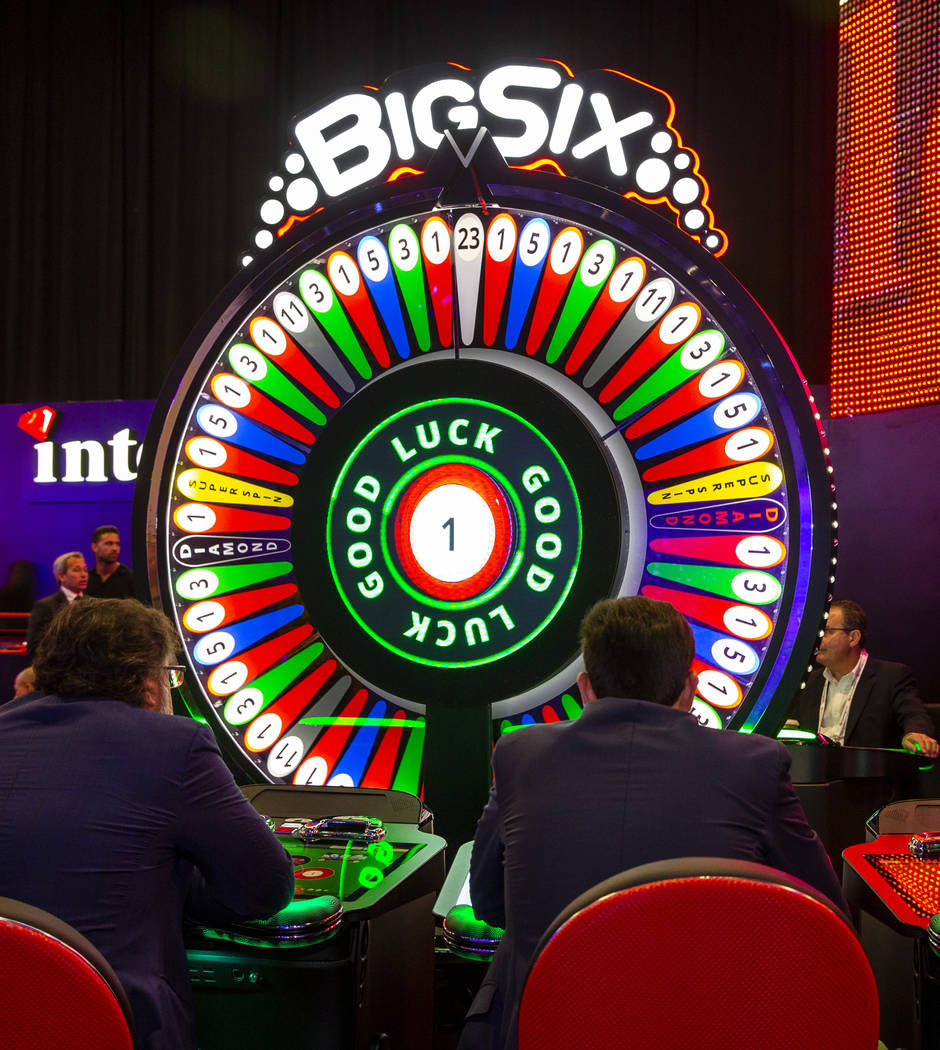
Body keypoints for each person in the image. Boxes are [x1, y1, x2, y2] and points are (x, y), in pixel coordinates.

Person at [458, 596, 847, 1050]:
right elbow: (824, 912)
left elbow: (487, 903)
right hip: (705, 1029)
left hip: (546, 1025)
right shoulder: (755, 764)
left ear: (585, 688)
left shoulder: (518, 755)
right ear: (690, 687)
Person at [0, 599, 295, 1050]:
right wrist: (177, 881)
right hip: (114, 1026)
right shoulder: (176, 743)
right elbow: (266, 887)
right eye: (170, 674)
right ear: (148, 684)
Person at [792, 599, 938, 755]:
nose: (817, 638)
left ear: (853, 637)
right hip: (814, 773)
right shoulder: (808, 681)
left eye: (827, 631)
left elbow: (914, 715)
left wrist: (915, 734)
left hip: (867, 775)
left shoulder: (891, 676)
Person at [25, 550, 88, 657]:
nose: (83, 575)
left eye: (85, 570)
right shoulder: (45, 606)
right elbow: (33, 646)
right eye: (77, 570)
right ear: (61, 576)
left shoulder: (93, 603)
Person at [85, 525, 136, 598]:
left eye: (117, 544)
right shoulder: (87, 579)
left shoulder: (130, 578)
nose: (115, 549)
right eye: (109, 543)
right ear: (95, 547)